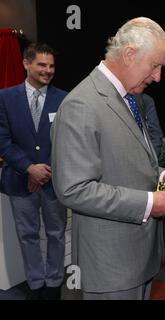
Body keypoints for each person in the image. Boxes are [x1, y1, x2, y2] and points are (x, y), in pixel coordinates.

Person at [51, 17, 165, 300]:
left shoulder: (128, 97)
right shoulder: (81, 105)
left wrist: (162, 175)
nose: (158, 77)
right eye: (155, 65)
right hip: (111, 266)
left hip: (139, 256)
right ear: (129, 54)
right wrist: (149, 203)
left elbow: (130, 155)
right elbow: (74, 189)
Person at [0, 43, 67, 300]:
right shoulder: (5, 98)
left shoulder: (64, 98)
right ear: (26, 64)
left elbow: (67, 140)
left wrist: (43, 172)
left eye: (51, 66)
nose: (47, 70)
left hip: (53, 182)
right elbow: (3, 140)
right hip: (19, 181)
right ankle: (36, 284)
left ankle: (53, 284)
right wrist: (29, 168)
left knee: (56, 234)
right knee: (27, 235)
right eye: (42, 64)